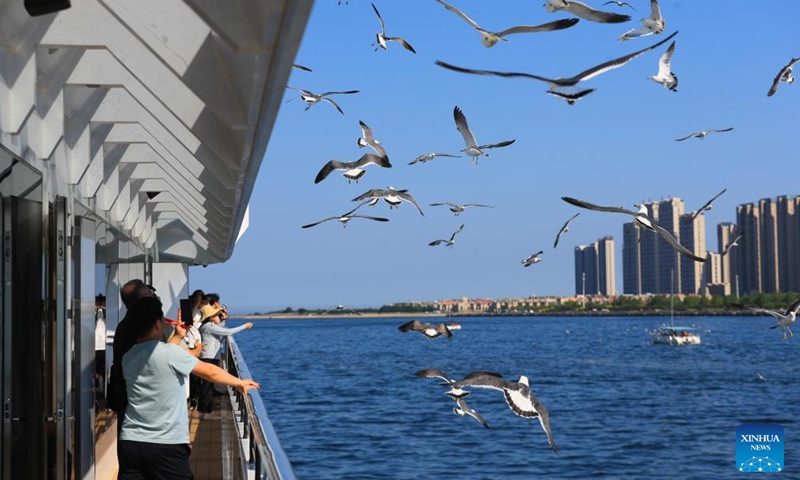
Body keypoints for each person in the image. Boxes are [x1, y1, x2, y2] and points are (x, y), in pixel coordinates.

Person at [118, 296, 258, 479]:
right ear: (157, 324)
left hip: (130, 442)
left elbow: (157, 357)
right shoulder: (169, 353)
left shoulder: (128, 357)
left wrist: (177, 336)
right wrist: (239, 382)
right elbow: (208, 370)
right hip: (165, 444)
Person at [197, 304, 253, 413]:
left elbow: (220, 328)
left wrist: (223, 318)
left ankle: (206, 406)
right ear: (211, 316)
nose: (218, 315)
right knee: (207, 385)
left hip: (210, 356)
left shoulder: (208, 326)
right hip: (209, 357)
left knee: (208, 384)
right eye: (216, 314)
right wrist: (244, 326)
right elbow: (228, 332)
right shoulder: (209, 326)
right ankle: (205, 408)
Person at [94, 294, 107, 409]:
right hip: (94, 348)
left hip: (104, 347)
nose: (100, 305)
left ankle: (104, 397)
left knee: (104, 372)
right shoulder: (93, 315)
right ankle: (96, 398)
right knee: (95, 374)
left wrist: (103, 309)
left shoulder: (106, 314)